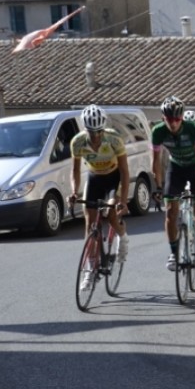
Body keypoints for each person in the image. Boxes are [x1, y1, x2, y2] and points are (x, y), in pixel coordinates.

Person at [69, 104, 130, 291]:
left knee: (111, 215)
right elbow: (75, 171)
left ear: (103, 128)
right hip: (94, 178)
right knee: (89, 222)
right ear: (85, 129)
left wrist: (123, 200)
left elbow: (125, 172)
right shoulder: (77, 142)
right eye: (91, 132)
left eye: (98, 131)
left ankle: (123, 237)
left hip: (113, 178)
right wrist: (74, 192)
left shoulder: (114, 139)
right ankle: (89, 269)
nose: (95, 136)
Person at [151, 96, 195, 271]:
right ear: (164, 119)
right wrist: (159, 186)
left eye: (177, 119)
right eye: (170, 119)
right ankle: (173, 252)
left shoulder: (193, 128)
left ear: (182, 117)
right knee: (170, 211)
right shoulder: (158, 132)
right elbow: (155, 161)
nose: (174, 123)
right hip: (175, 167)